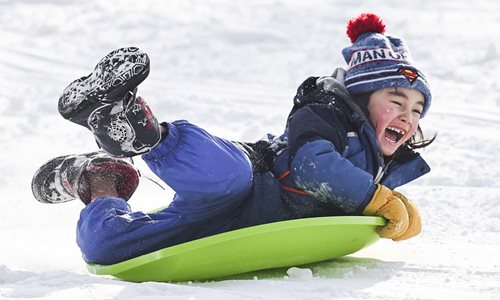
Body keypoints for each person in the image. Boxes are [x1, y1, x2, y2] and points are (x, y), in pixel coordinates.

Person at [32, 13, 434, 265]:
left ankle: (99, 177)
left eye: (417, 110)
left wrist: (386, 210)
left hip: (230, 232)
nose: (408, 116)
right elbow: (313, 166)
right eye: (395, 99)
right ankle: (142, 131)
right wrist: (377, 200)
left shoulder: (384, 163)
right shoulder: (325, 112)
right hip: (249, 182)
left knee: (108, 248)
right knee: (225, 174)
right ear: (362, 98)